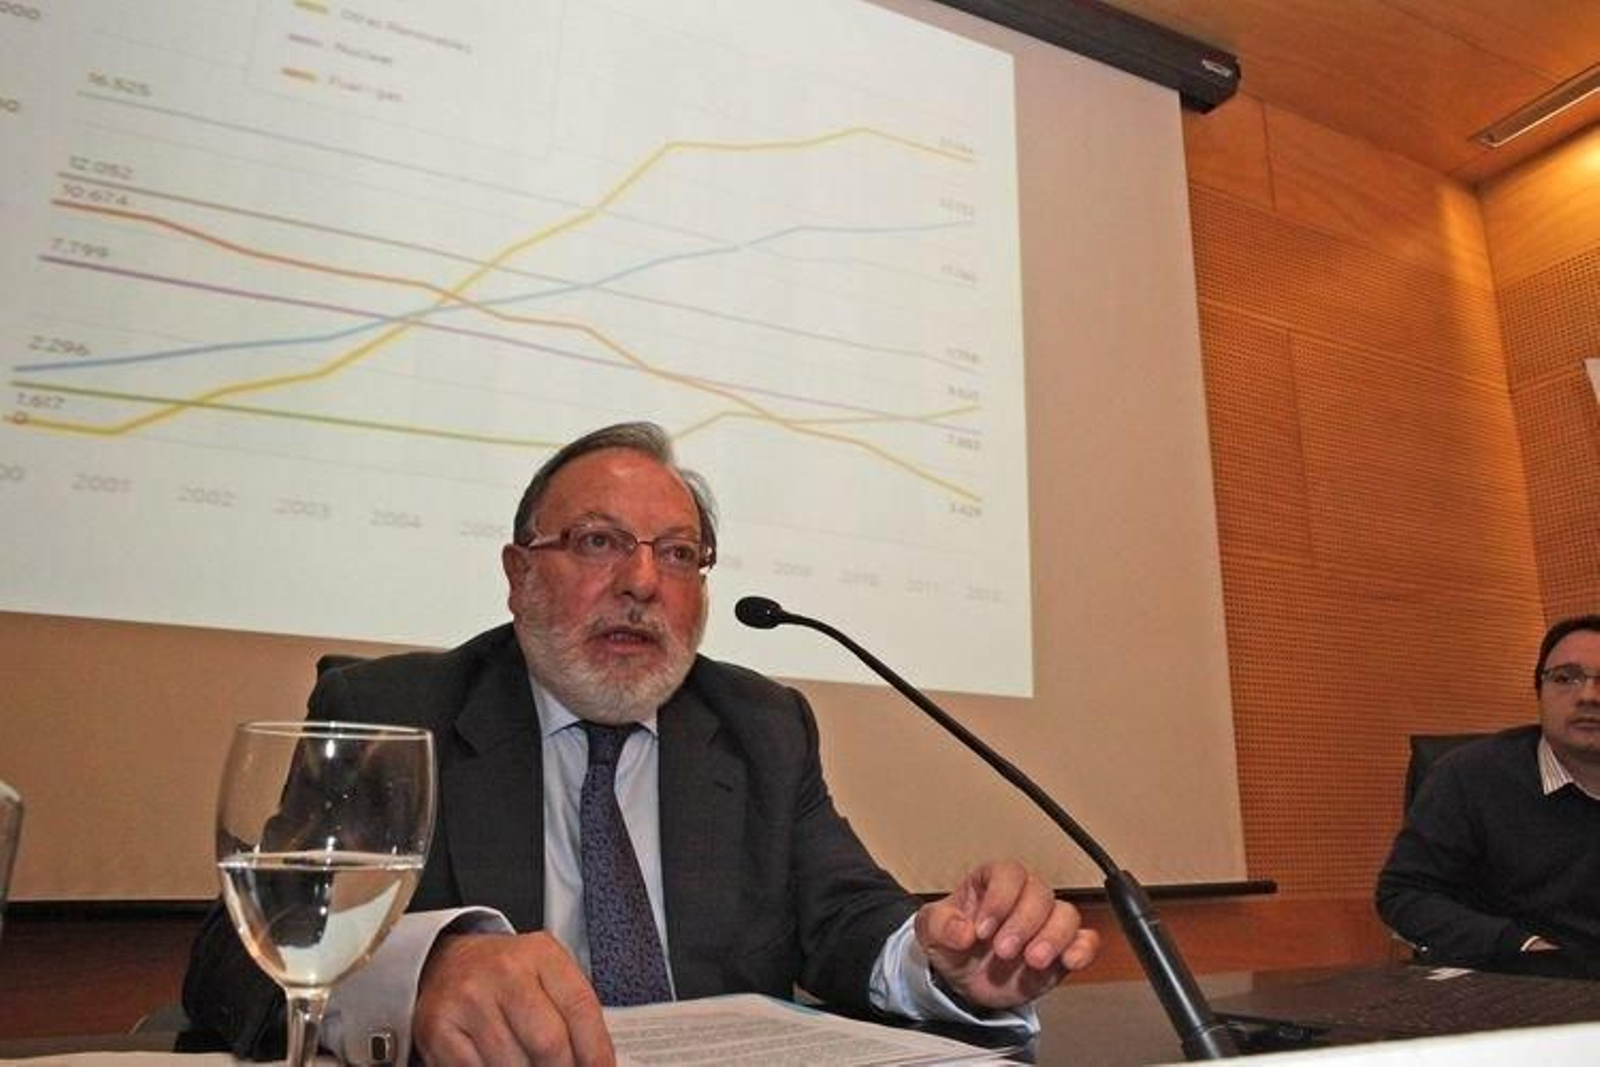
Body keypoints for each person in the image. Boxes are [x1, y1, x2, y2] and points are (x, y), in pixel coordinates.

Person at [184, 421, 1100, 1063]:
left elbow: (846, 917)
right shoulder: (395, 710)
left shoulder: (759, 725)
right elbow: (239, 953)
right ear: (518, 573)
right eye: (597, 542)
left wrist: (941, 958)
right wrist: (415, 974)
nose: (640, 582)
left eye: (677, 554)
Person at [1375, 613, 1600, 979]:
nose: (1589, 696)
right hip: (1511, 982)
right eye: (1565, 678)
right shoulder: (1469, 775)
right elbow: (1405, 893)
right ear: (1539, 693)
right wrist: (1521, 946)